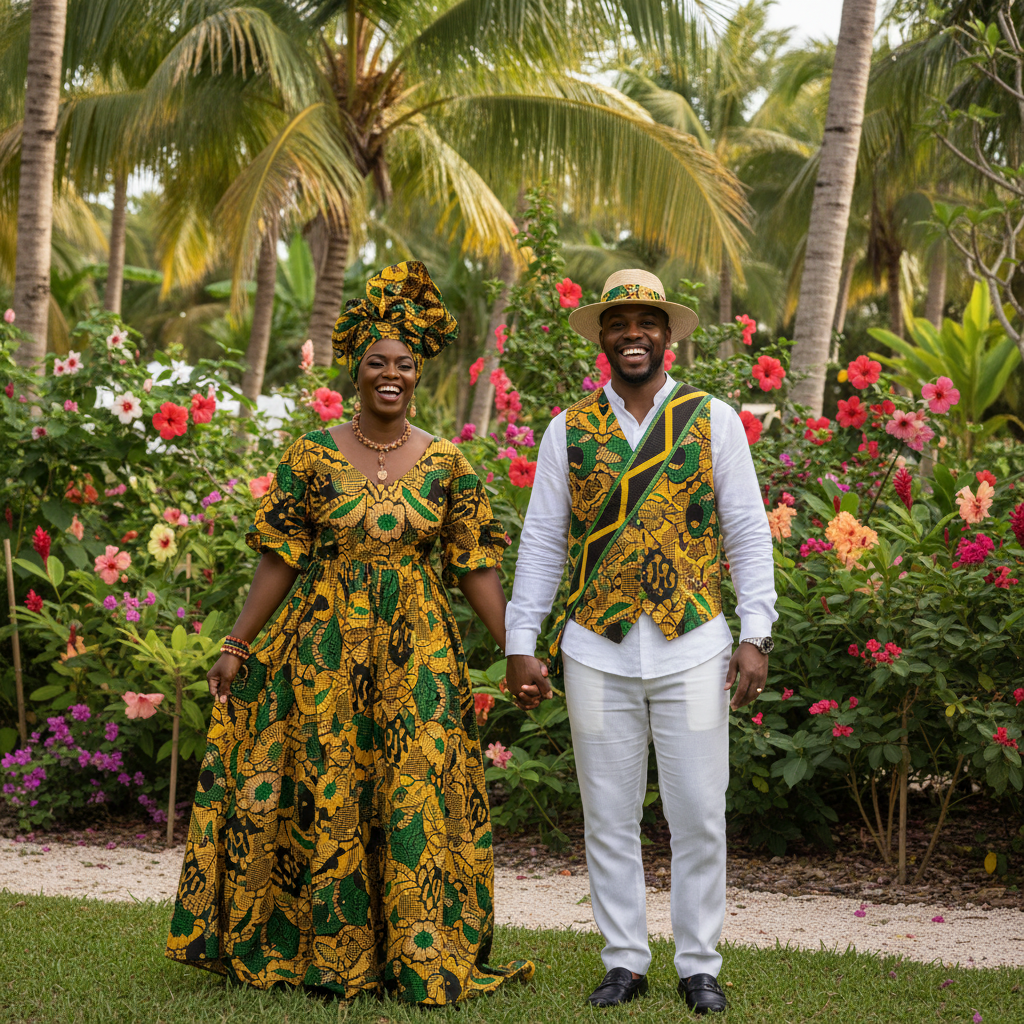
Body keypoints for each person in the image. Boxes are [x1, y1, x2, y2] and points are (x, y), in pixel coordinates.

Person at [165, 261, 534, 1006]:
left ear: (418, 374)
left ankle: (416, 951)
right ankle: (325, 952)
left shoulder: (447, 463)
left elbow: (474, 567)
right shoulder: (311, 455)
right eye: (376, 362)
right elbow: (280, 559)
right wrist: (238, 643)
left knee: (413, 792)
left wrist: (518, 651)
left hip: (418, 653)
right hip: (321, 650)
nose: (390, 375)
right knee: (326, 790)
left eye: (403, 364)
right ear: (355, 368)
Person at [504, 269, 776, 1014]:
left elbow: (747, 530)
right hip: (596, 649)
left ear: (667, 334)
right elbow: (541, 542)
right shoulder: (569, 429)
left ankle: (698, 965)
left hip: (694, 647)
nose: (634, 333)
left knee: (697, 810)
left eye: (646, 321)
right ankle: (624, 959)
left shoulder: (713, 418)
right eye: (619, 321)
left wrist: (756, 632)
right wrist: (521, 640)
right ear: (602, 334)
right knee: (609, 813)